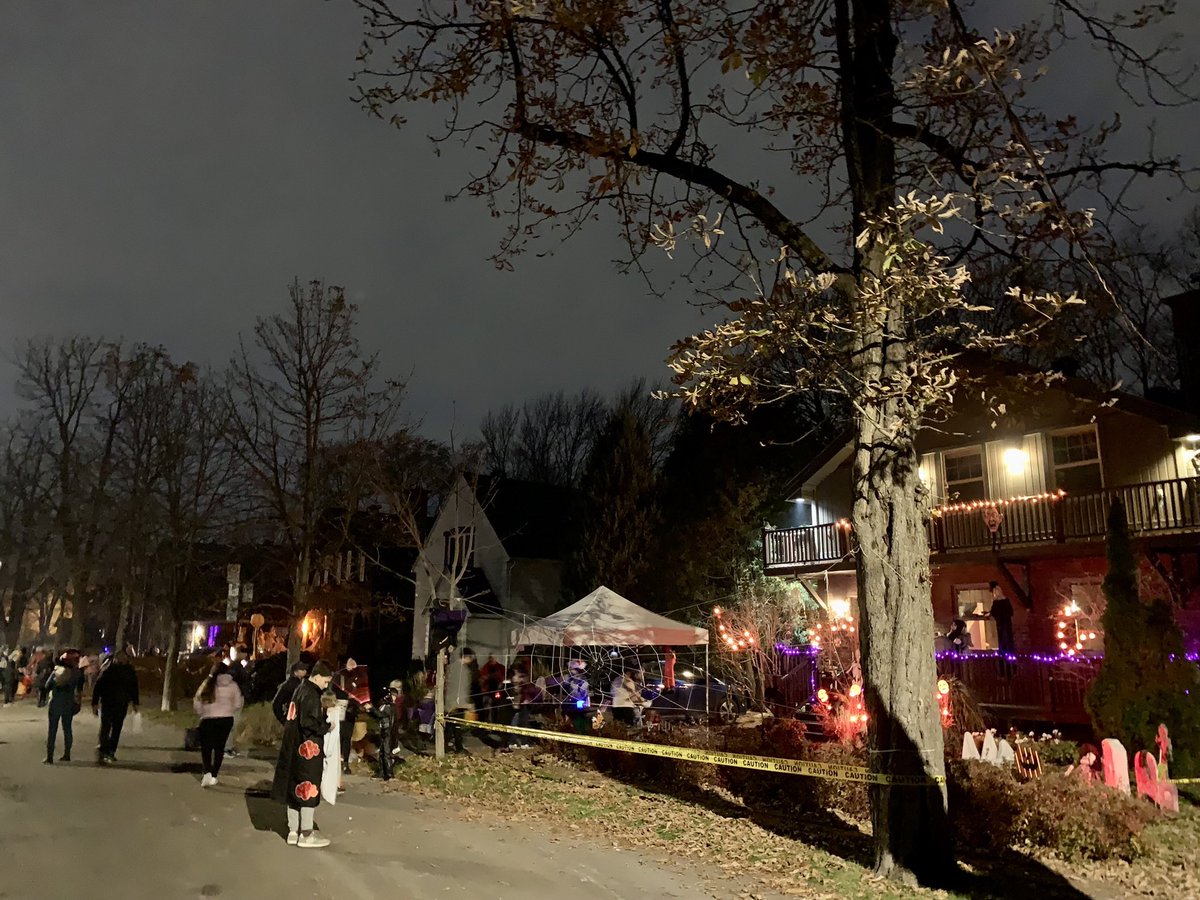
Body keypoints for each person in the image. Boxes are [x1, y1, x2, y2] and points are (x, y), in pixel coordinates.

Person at [271, 659, 335, 849]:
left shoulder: (299, 689)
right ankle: (306, 833)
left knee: (293, 788)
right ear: (317, 677)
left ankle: (293, 831)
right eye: (325, 681)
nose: (326, 685)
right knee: (307, 788)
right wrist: (327, 727)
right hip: (307, 750)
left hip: (292, 747)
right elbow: (309, 723)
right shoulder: (311, 694)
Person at [193, 662, 245, 787]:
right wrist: (228, 710)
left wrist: (202, 712)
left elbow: (197, 701)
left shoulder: (207, 684)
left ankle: (207, 772)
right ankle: (214, 775)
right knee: (219, 748)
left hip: (208, 719)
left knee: (206, 748)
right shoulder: (233, 685)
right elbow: (238, 704)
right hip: (226, 719)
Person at [92, 647, 140, 763]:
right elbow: (99, 686)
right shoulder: (110, 670)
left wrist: (135, 702)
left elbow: (133, 687)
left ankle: (109, 750)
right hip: (111, 703)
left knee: (113, 728)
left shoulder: (127, 671)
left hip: (118, 703)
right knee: (108, 727)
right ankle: (105, 750)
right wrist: (95, 702)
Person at [44, 652, 84, 764]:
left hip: (55, 704)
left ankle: (49, 757)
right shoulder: (75, 674)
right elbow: (79, 689)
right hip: (68, 704)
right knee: (67, 729)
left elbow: (47, 686)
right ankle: (67, 754)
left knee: (52, 731)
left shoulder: (56, 672)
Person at [363, 680, 401, 780]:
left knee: (386, 754)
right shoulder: (384, 706)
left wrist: (372, 708)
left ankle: (389, 774)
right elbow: (378, 716)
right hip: (384, 732)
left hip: (388, 733)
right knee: (382, 753)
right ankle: (381, 773)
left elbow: (380, 715)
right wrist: (370, 711)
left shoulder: (390, 707)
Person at [444, 646, 476, 753]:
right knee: (457, 725)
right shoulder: (464, 671)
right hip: (457, 703)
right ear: (467, 657)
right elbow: (462, 689)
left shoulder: (450, 667)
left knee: (450, 725)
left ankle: (447, 745)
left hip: (449, 701)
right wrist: (465, 704)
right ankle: (458, 747)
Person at [224, 644, 251, 758]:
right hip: (235, 698)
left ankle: (229, 747)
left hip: (238, 696)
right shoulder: (235, 667)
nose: (245, 655)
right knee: (231, 723)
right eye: (243, 652)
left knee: (234, 724)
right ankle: (226, 748)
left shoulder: (237, 666)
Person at [272, 661, 309, 725]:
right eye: (302, 669)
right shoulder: (289, 685)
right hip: (294, 718)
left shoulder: (302, 683)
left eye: (305, 669)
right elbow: (276, 704)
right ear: (295, 672)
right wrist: (284, 721)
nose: (305, 671)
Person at [987, 581, 1016, 655]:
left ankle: (1005, 651)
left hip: (1002, 623)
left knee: (1004, 635)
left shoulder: (998, 602)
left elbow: (995, 611)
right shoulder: (1003, 601)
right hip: (1003, 623)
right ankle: (1007, 650)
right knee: (1005, 635)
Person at [563, 659, 590, 734]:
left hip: (580, 700)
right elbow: (565, 685)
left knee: (580, 715)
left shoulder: (584, 678)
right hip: (571, 700)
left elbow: (585, 689)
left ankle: (580, 731)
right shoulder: (568, 677)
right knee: (573, 715)